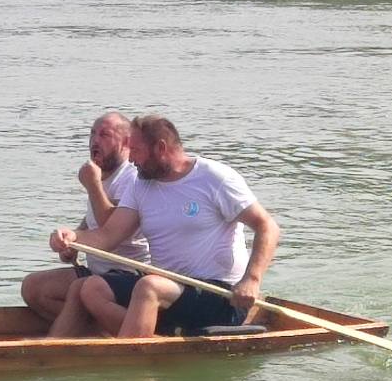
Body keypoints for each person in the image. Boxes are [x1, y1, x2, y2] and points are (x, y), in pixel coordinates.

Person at [49, 114, 280, 338]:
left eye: (136, 151)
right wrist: (72, 237)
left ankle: (132, 360)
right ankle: (144, 334)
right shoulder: (141, 185)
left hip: (221, 295)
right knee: (91, 287)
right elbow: (108, 236)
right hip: (171, 289)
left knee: (149, 286)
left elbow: (267, 226)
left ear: (160, 148)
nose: (131, 160)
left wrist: (252, 280)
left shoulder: (215, 178)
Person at [20, 110, 151, 337]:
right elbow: (89, 224)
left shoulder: (131, 177)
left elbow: (109, 227)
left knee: (80, 291)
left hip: (127, 275)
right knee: (33, 288)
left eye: (104, 135)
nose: (95, 141)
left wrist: (92, 185)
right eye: (92, 134)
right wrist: (71, 241)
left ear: (126, 142)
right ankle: (97, 330)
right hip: (95, 271)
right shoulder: (100, 176)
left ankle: (60, 344)